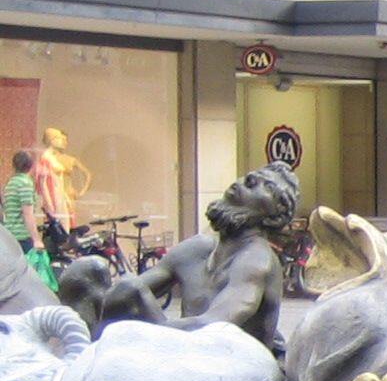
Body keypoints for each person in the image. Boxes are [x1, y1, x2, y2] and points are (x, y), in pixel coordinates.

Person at [98, 163, 298, 356]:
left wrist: (138, 333)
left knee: (129, 290)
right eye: (250, 177)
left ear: (274, 219)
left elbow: (213, 328)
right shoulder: (196, 249)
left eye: (267, 186)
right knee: (92, 273)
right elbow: (123, 296)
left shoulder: (255, 261)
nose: (249, 179)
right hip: (188, 360)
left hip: (230, 373)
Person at [4, 152, 50, 289]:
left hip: (11, 233)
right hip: (22, 236)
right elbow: (28, 214)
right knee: (29, 278)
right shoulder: (25, 183)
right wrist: (36, 239)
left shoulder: (11, 182)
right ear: (31, 166)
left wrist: (40, 183)